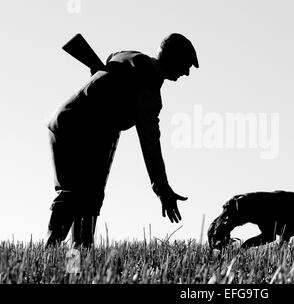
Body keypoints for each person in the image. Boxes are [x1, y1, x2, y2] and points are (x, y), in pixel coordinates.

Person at [45, 33, 199, 248]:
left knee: (84, 198)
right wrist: (162, 189)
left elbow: (109, 61)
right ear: (173, 59)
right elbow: (150, 144)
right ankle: (52, 253)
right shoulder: (149, 89)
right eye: (186, 65)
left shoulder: (128, 55)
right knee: (78, 197)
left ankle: (74, 267)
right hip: (82, 129)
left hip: (70, 123)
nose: (187, 73)